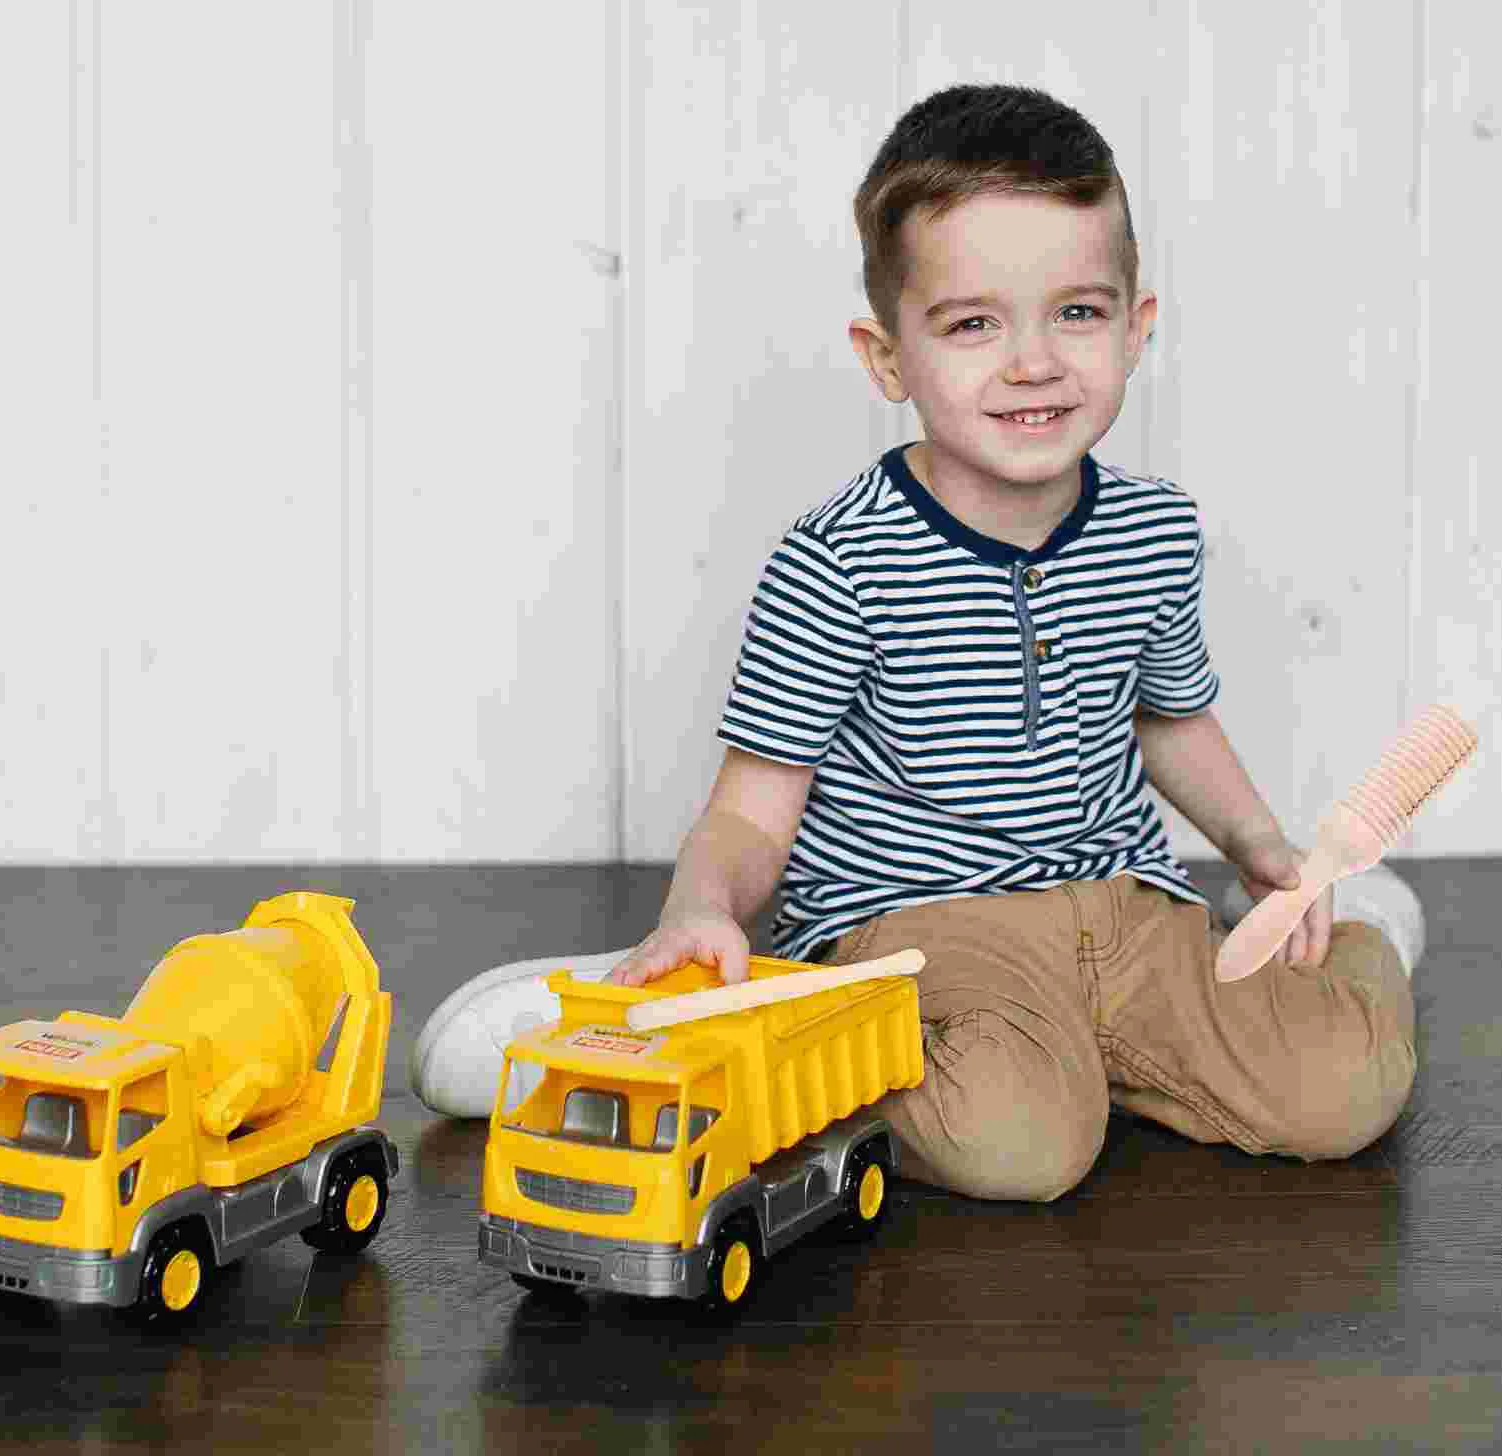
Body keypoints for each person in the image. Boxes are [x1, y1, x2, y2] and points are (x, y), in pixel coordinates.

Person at [413, 83, 1422, 1201]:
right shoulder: (838, 561)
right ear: (889, 357)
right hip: (921, 926)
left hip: (1127, 905)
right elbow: (754, 806)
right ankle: (700, 1004)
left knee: (1344, 1092)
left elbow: (1169, 719)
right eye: (973, 323)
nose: (1033, 362)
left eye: (1076, 313)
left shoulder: (1153, 529)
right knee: (1021, 1151)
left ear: (1136, 328)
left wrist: (1257, 846)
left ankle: (1328, 957)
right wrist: (700, 905)